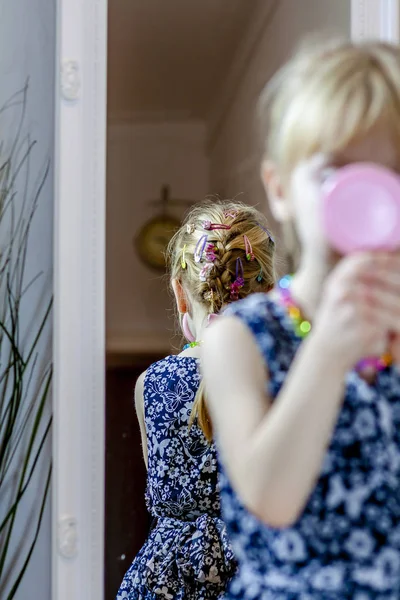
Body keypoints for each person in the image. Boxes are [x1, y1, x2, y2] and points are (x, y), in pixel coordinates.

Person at [201, 38, 400, 599]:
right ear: (281, 190)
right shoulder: (239, 339)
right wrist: (329, 350)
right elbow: (270, 497)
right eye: (335, 171)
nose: (368, 197)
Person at [117, 199, 275, 600]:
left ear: (180, 293)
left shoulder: (150, 385)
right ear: (270, 292)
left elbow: (160, 495)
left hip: (162, 581)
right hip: (256, 570)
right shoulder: (286, 379)